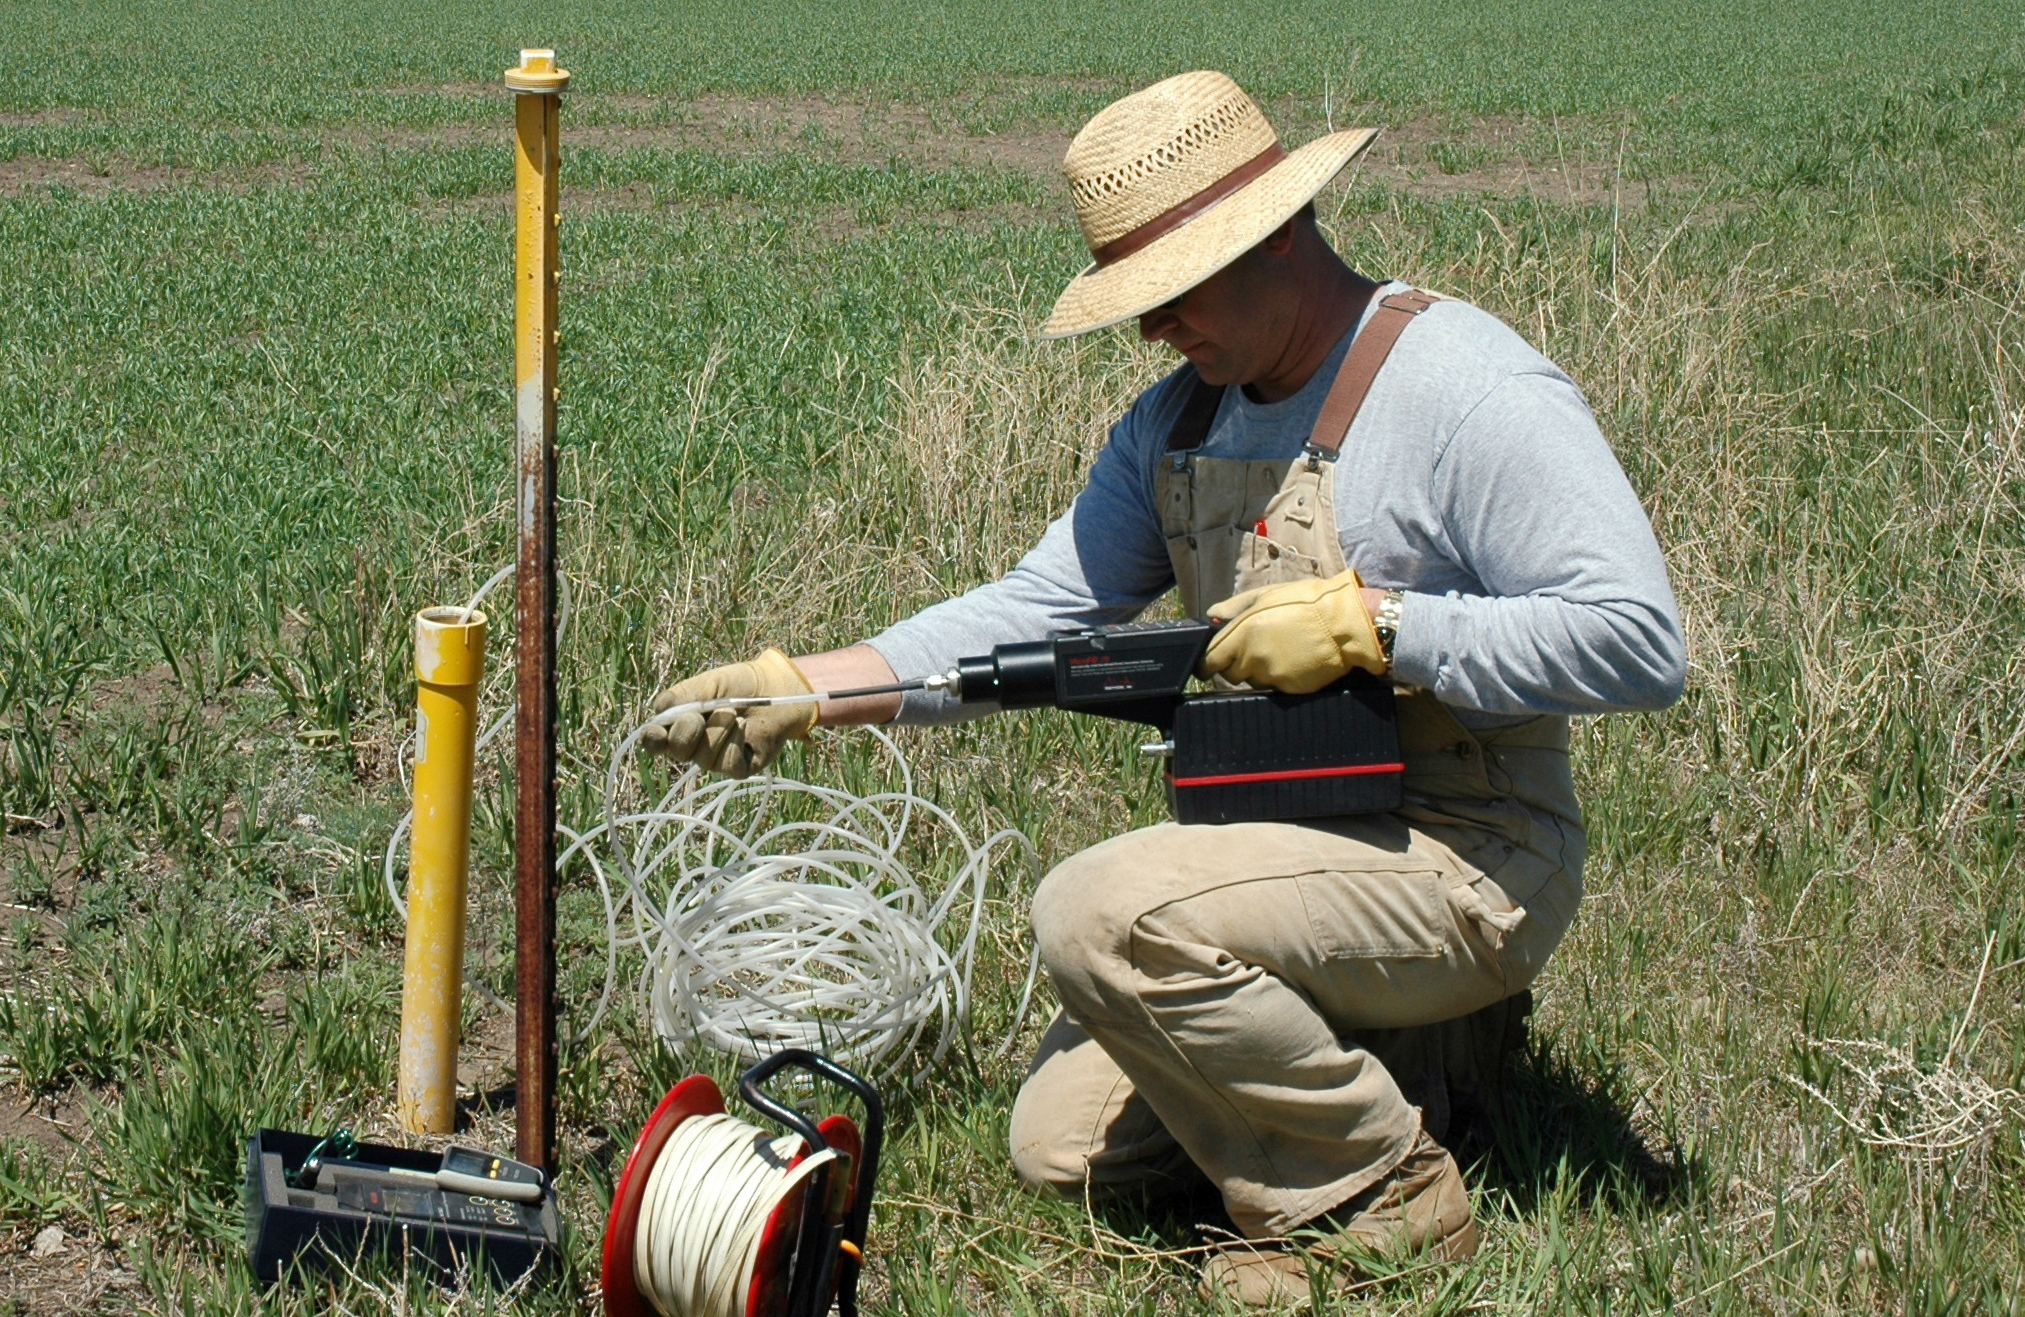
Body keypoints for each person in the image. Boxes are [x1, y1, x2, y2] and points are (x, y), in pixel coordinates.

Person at [642, 70, 1685, 1305]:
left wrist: (1378, 625)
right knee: (1060, 1150)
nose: (1150, 332)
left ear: (1279, 235)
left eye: (1169, 293)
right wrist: (809, 687)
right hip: (1291, 850)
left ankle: (1379, 1195)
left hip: (1473, 853)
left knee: (1101, 911)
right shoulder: (1176, 424)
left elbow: (1637, 642)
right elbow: (1036, 611)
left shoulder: (1468, 391)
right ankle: (1415, 1055)